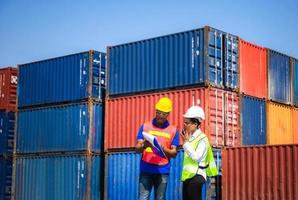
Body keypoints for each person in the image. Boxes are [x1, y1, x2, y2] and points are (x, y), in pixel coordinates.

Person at [135, 97, 179, 200]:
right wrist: (145, 145)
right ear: (156, 111)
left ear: (168, 114)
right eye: (158, 113)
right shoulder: (145, 126)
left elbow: (174, 153)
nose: (160, 116)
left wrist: (164, 149)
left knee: (160, 198)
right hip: (146, 169)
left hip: (162, 171)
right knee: (143, 198)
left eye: (163, 114)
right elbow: (137, 148)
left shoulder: (173, 130)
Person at [180, 105, 218, 200]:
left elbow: (197, 157)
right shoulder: (191, 139)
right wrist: (187, 142)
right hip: (188, 176)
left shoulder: (202, 139)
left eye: (187, 123)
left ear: (195, 124)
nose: (184, 125)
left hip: (197, 176)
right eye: (184, 122)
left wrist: (185, 143)